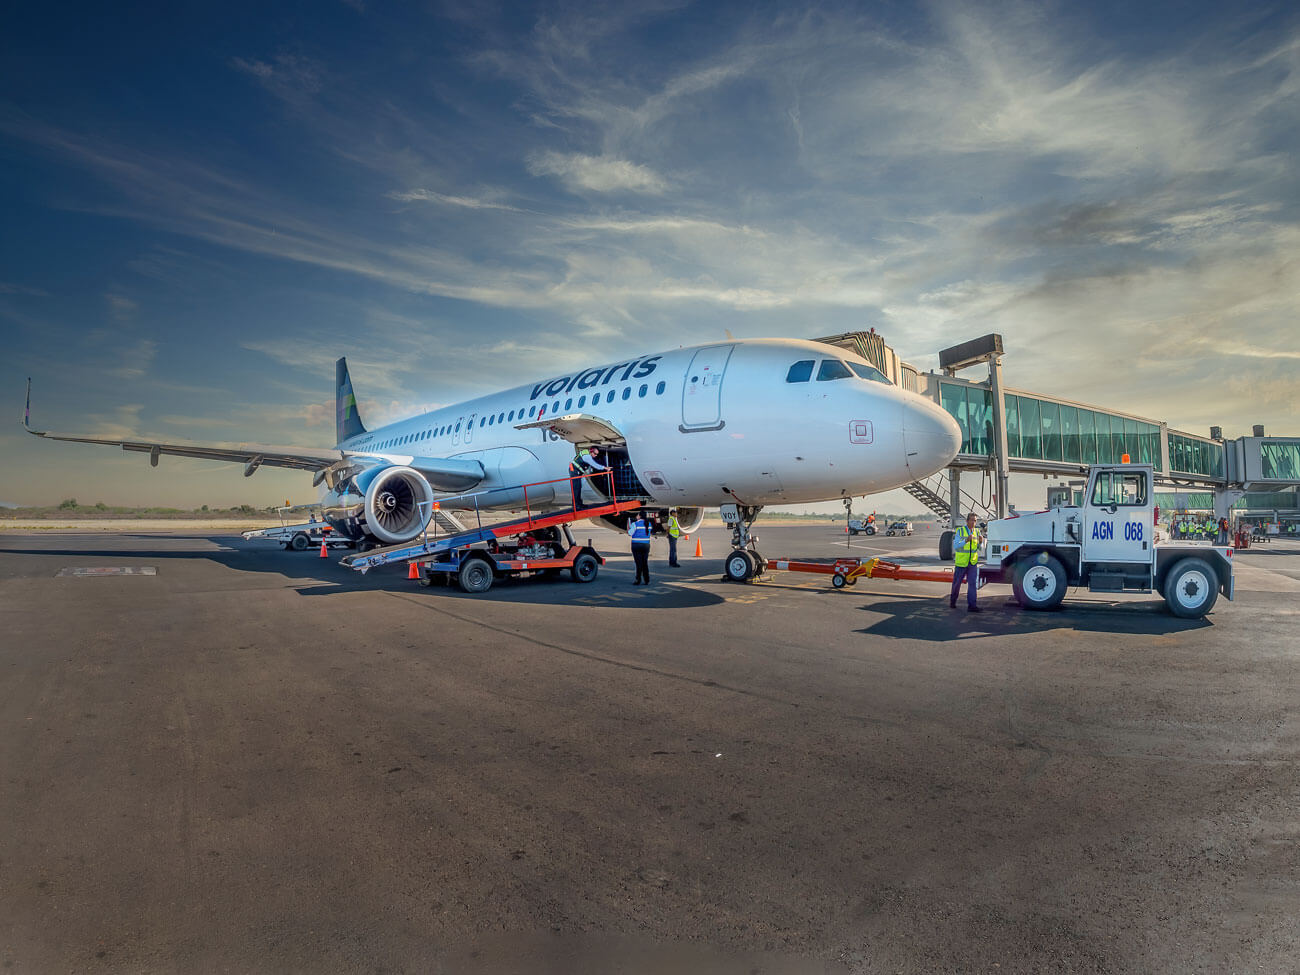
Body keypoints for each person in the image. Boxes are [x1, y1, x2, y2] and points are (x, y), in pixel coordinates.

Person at [950, 512, 981, 612]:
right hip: (961, 563)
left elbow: (978, 548)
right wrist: (966, 540)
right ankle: (953, 601)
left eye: (975, 520)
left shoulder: (977, 532)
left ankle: (972, 606)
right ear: (967, 521)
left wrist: (980, 542)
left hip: (972, 563)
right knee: (957, 584)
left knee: (972, 584)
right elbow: (956, 546)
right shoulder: (960, 531)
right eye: (971, 520)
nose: (973, 522)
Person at [569, 445, 610, 510]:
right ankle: (576, 505)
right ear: (591, 452)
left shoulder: (587, 453)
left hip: (575, 470)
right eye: (595, 453)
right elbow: (595, 465)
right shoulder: (587, 457)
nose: (596, 455)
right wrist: (605, 468)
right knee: (576, 488)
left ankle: (578, 504)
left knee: (578, 487)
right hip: (575, 471)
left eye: (597, 454)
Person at [628, 510, 652, 585]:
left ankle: (638, 579)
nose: (636, 516)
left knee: (638, 563)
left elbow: (630, 533)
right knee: (645, 562)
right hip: (646, 545)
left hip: (636, 545)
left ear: (640, 516)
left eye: (637, 515)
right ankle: (646, 579)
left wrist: (628, 526)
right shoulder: (649, 524)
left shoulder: (635, 524)